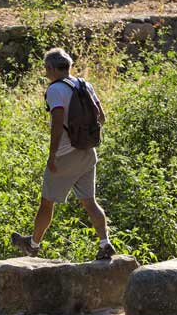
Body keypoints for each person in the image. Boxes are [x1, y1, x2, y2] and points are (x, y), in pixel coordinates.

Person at [11, 48, 114, 261]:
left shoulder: (55, 90)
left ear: (50, 68)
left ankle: (33, 245)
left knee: (47, 202)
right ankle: (105, 243)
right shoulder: (85, 85)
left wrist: (52, 155)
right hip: (87, 153)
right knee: (90, 202)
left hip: (65, 156)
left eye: (45, 68)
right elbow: (101, 118)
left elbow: (57, 124)